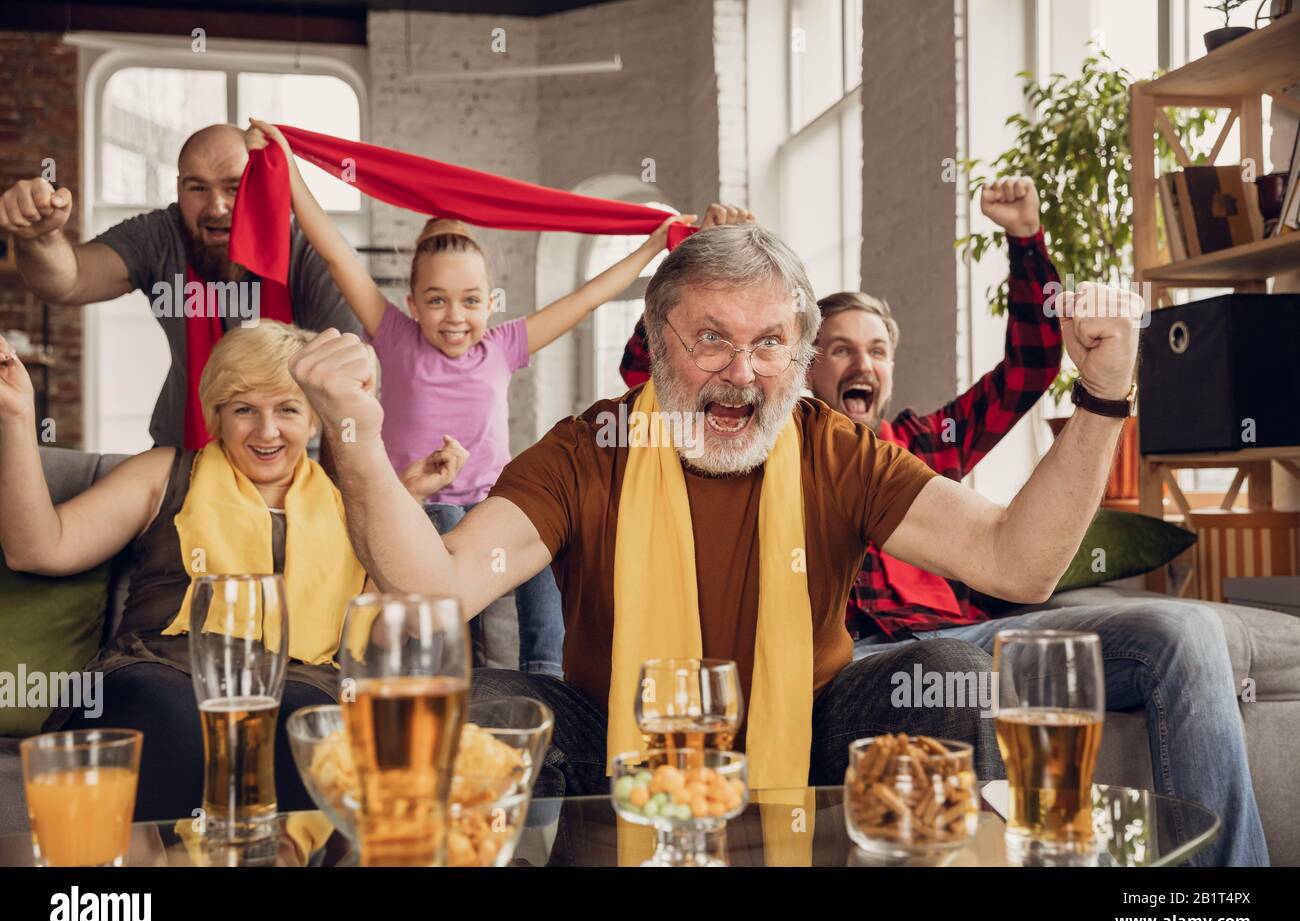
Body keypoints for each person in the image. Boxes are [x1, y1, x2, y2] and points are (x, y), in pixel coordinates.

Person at [288, 223, 1142, 803]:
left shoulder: (832, 448)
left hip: (806, 726)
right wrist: (357, 437)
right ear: (658, 343)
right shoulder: (595, 445)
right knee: (470, 710)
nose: (743, 372)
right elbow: (436, 590)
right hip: (614, 735)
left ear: (798, 351)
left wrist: (1103, 399)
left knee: (951, 668)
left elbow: (1014, 562)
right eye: (711, 339)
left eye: (770, 342)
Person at [797, 177, 1266, 866]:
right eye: (840, 348)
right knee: (947, 668)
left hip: (985, 635)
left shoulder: (928, 440)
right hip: (867, 655)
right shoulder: (790, 452)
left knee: (1186, 629)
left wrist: (1025, 238)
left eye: (876, 349)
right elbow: (651, 382)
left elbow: (1029, 369)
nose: (861, 362)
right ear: (808, 366)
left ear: (891, 370)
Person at [244, 118, 752, 678]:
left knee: (546, 543)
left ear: (491, 304)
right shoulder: (393, 336)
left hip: (493, 506)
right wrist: (288, 167)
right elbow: (337, 255)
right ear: (413, 304)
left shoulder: (503, 346)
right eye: (436, 301)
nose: (454, 316)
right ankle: (440, 676)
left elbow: (585, 299)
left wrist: (654, 246)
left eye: (469, 301)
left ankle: (546, 671)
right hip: (418, 509)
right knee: (440, 569)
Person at [0, 322, 386, 821]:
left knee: (310, 725)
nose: (266, 431)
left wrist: (397, 497)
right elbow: (38, 548)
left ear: (315, 420)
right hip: (163, 671)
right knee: (163, 709)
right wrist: (16, 416)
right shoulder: (165, 472)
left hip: (300, 680)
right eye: (245, 409)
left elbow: (384, 627)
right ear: (217, 415)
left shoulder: (353, 502)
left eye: (288, 409)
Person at [0, 124, 360, 449]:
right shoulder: (162, 235)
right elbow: (70, 280)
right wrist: (40, 239)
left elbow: (348, 381)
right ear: (178, 188)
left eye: (233, 187)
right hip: (185, 454)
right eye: (198, 188)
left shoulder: (307, 251)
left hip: (291, 459)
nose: (216, 206)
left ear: (261, 184)